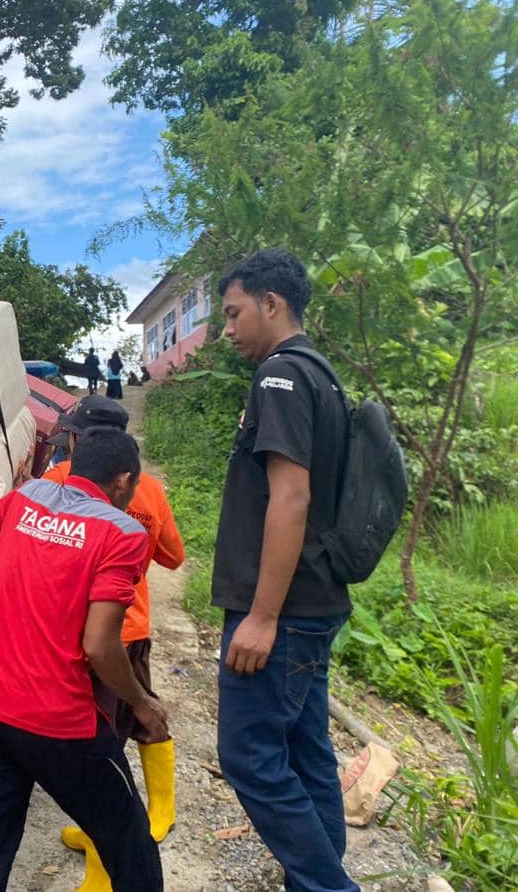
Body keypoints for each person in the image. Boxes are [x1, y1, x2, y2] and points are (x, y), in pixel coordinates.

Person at [0, 426, 166, 892]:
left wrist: (33, 542)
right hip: (57, 723)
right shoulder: (122, 533)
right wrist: (144, 705)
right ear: (123, 481)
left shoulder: (26, 498)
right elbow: (100, 644)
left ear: (73, 459)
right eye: (132, 487)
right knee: (129, 842)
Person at [213, 249, 354, 892]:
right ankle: (318, 881)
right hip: (314, 603)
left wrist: (262, 617)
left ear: (272, 303)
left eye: (235, 313)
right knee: (306, 751)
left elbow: (289, 497)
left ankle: (329, 887)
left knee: (248, 756)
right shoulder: (321, 374)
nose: (227, 329)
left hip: (284, 611)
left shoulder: (280, 378)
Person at [42, 397, 185, 852]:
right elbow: (174, 556)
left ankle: (138, 821)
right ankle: (144, 813)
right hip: (129, 626)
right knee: (129, 716)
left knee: (103, 729)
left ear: (81, 439)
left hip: (73, 629)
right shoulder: (150, 489)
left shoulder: (56, 481)